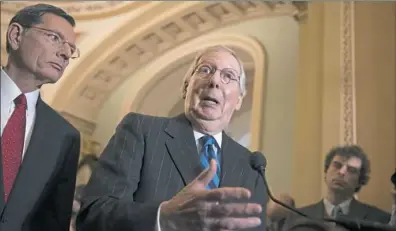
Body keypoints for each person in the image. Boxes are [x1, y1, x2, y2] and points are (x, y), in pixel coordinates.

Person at [76, 45, 268, 231]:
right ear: (186, 88)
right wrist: (162, 217)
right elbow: (93, 215)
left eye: (228, 76)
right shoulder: (141, 130)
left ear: (239, 100)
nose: (215, 81)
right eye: (205, 70)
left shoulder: (251, 166)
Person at [0, 3, 81, 231]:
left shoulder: (65, 136)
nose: (65, 53)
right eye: (55, 38)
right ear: (16, 35)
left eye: (71, 48)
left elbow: (52, 222)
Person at [290, 145, 390, 226]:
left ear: (360, 181)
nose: (342, 172)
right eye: (337, 165)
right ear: (326, 172)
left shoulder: (379, 220)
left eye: (351, 170)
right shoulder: (297, 217)